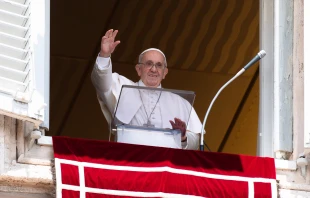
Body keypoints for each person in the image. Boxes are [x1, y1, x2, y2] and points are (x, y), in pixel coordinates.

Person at [91, 29, 202, 150]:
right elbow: (102, 83)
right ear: (138, 69)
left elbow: (195, 143)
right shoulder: (122, 86)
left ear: (165, 73)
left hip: (165, 163)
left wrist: (183, 137)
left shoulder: (180, 102)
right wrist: (104, 55)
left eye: (159, 65)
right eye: (149, 64)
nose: (154, 70)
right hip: (129, 158)